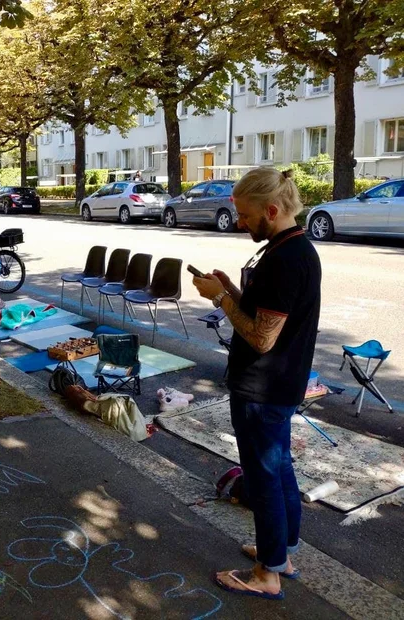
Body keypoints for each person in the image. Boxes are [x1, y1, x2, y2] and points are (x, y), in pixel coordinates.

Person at [192, 167, 321, 601]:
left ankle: (267, 574)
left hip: (263, 389)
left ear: (272, 210)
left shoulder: (286, 259)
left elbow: (262, 338)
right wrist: (232, 287)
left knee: (263, 476)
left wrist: (220, 299)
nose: (240, 222)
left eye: (246, 215)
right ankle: (281, 552)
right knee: (278, 468)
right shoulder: (291, 247)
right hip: (280, 385)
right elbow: (267, 314)